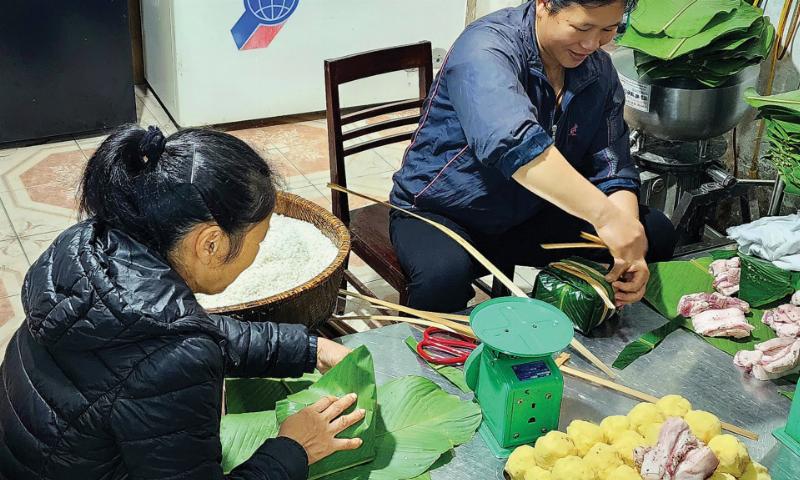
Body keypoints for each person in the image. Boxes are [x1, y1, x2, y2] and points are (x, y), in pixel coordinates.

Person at [0, 125, 364, 479]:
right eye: (259, 240)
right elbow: (171, 352)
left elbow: (173, 335)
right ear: (210, 243)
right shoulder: (173, 357)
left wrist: (307, 349)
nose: (259, 252)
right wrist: (295, 448)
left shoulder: (88, 247)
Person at [390, 0, 677, 313]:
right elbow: (514, 145)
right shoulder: (485, 48)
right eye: (582, 28)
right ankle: (431, 357)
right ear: (545, 4)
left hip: (529, 211)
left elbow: (612, 164)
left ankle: (604, 331)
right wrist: (606, 218)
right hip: (446, 211)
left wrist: (628, 238)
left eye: (608, 29)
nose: (592, 44)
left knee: (653, 232)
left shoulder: (597, 70)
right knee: (442, 277)